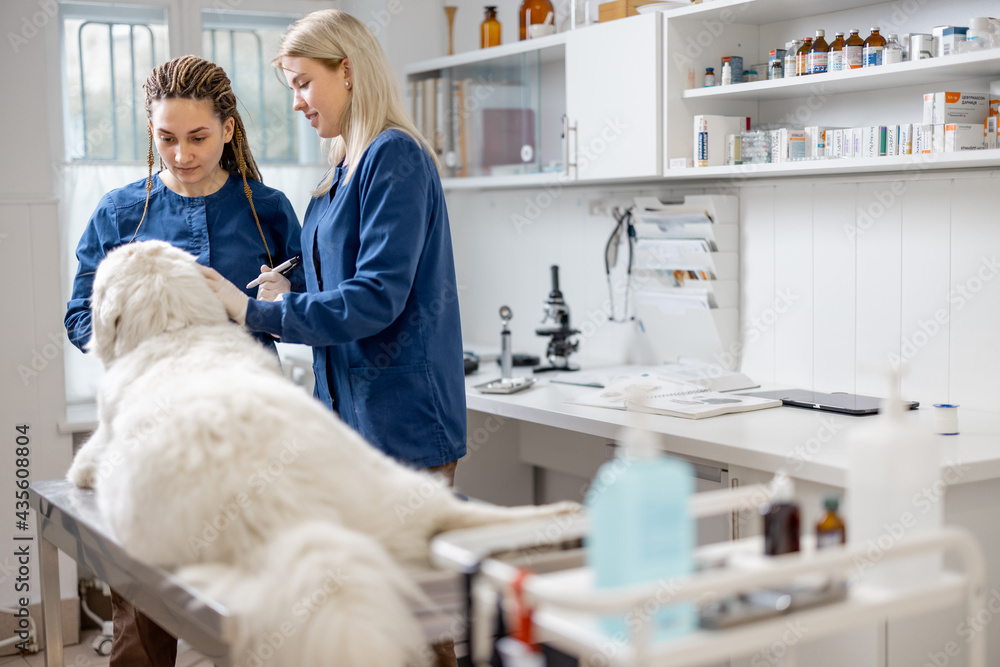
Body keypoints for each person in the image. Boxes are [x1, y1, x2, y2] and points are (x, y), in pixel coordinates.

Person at [65, 55, 303, 667]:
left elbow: (308, 309)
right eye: (165, 138)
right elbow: (79, 319)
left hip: (248, 425)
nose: (180, 154)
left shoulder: (268, 210)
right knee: (142, 610)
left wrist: (276, 302)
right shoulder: (122, 213)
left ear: (228, 129)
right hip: (151, 429)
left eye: (197, 137)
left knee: (261, 597)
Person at [200, 9, 467, 484]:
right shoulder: (336, 175)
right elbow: (336, 278)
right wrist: (291, 285)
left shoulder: (393, 155)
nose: (298, 104)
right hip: (348, 420)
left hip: (403, 427)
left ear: (346, 70)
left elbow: (375, 296)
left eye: (303, 83)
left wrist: (252, 311)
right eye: (292, 89)